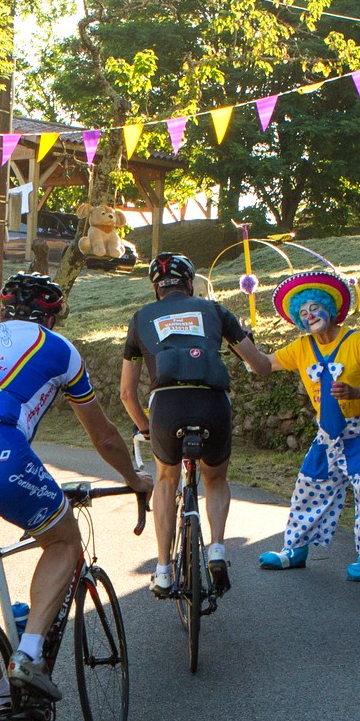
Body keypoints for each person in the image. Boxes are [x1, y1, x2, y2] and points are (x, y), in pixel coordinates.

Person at [0, 272, 149, 702]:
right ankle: (29, 653)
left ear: (4, 308)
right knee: (62, 541)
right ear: (53, 315)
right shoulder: (59, 349)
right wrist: (134, 480)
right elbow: (105, 437)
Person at [119, 253, 274, 597]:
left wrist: (145, 427)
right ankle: (217, 548)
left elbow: (127, 393)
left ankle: (162, 569)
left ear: (155, 287)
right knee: (215, 478)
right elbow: (261, 366)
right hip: (211, 402)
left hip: (167, 406)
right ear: (190, 283)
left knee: (165, 478)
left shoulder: (140, 318)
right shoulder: (215, 311)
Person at [259, 271, 360, 582]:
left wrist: (356, 392)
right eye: (302, 313)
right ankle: (295, 549)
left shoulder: (356, 341)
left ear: (328, 308)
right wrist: (240, 344)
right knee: (309, 484)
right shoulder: (302, 347)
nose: (310, 316)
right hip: (328, 433)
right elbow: (266, 364)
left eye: (314, 308)